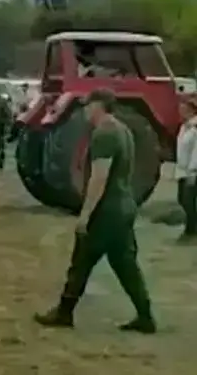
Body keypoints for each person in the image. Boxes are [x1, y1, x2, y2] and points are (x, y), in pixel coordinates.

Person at [34, 88, 155, 333]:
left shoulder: (105, 133)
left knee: (81, 261)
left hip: (107, 209)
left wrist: (86, 214)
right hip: (123, 205)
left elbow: (99, 177)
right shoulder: (122, 129)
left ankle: (64, 313)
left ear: (98, 105)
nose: (86, 110)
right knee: (125, 264)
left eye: (88, 105)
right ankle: (145, 316)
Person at [176, 96, 197, 243]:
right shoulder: (184, 126)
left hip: (192, 171)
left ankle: (191, 230)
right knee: (182, 199)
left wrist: (193, 171)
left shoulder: (195, 128)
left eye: (183, 108)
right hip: (183, 170)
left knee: (188, 200)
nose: (180, 110)